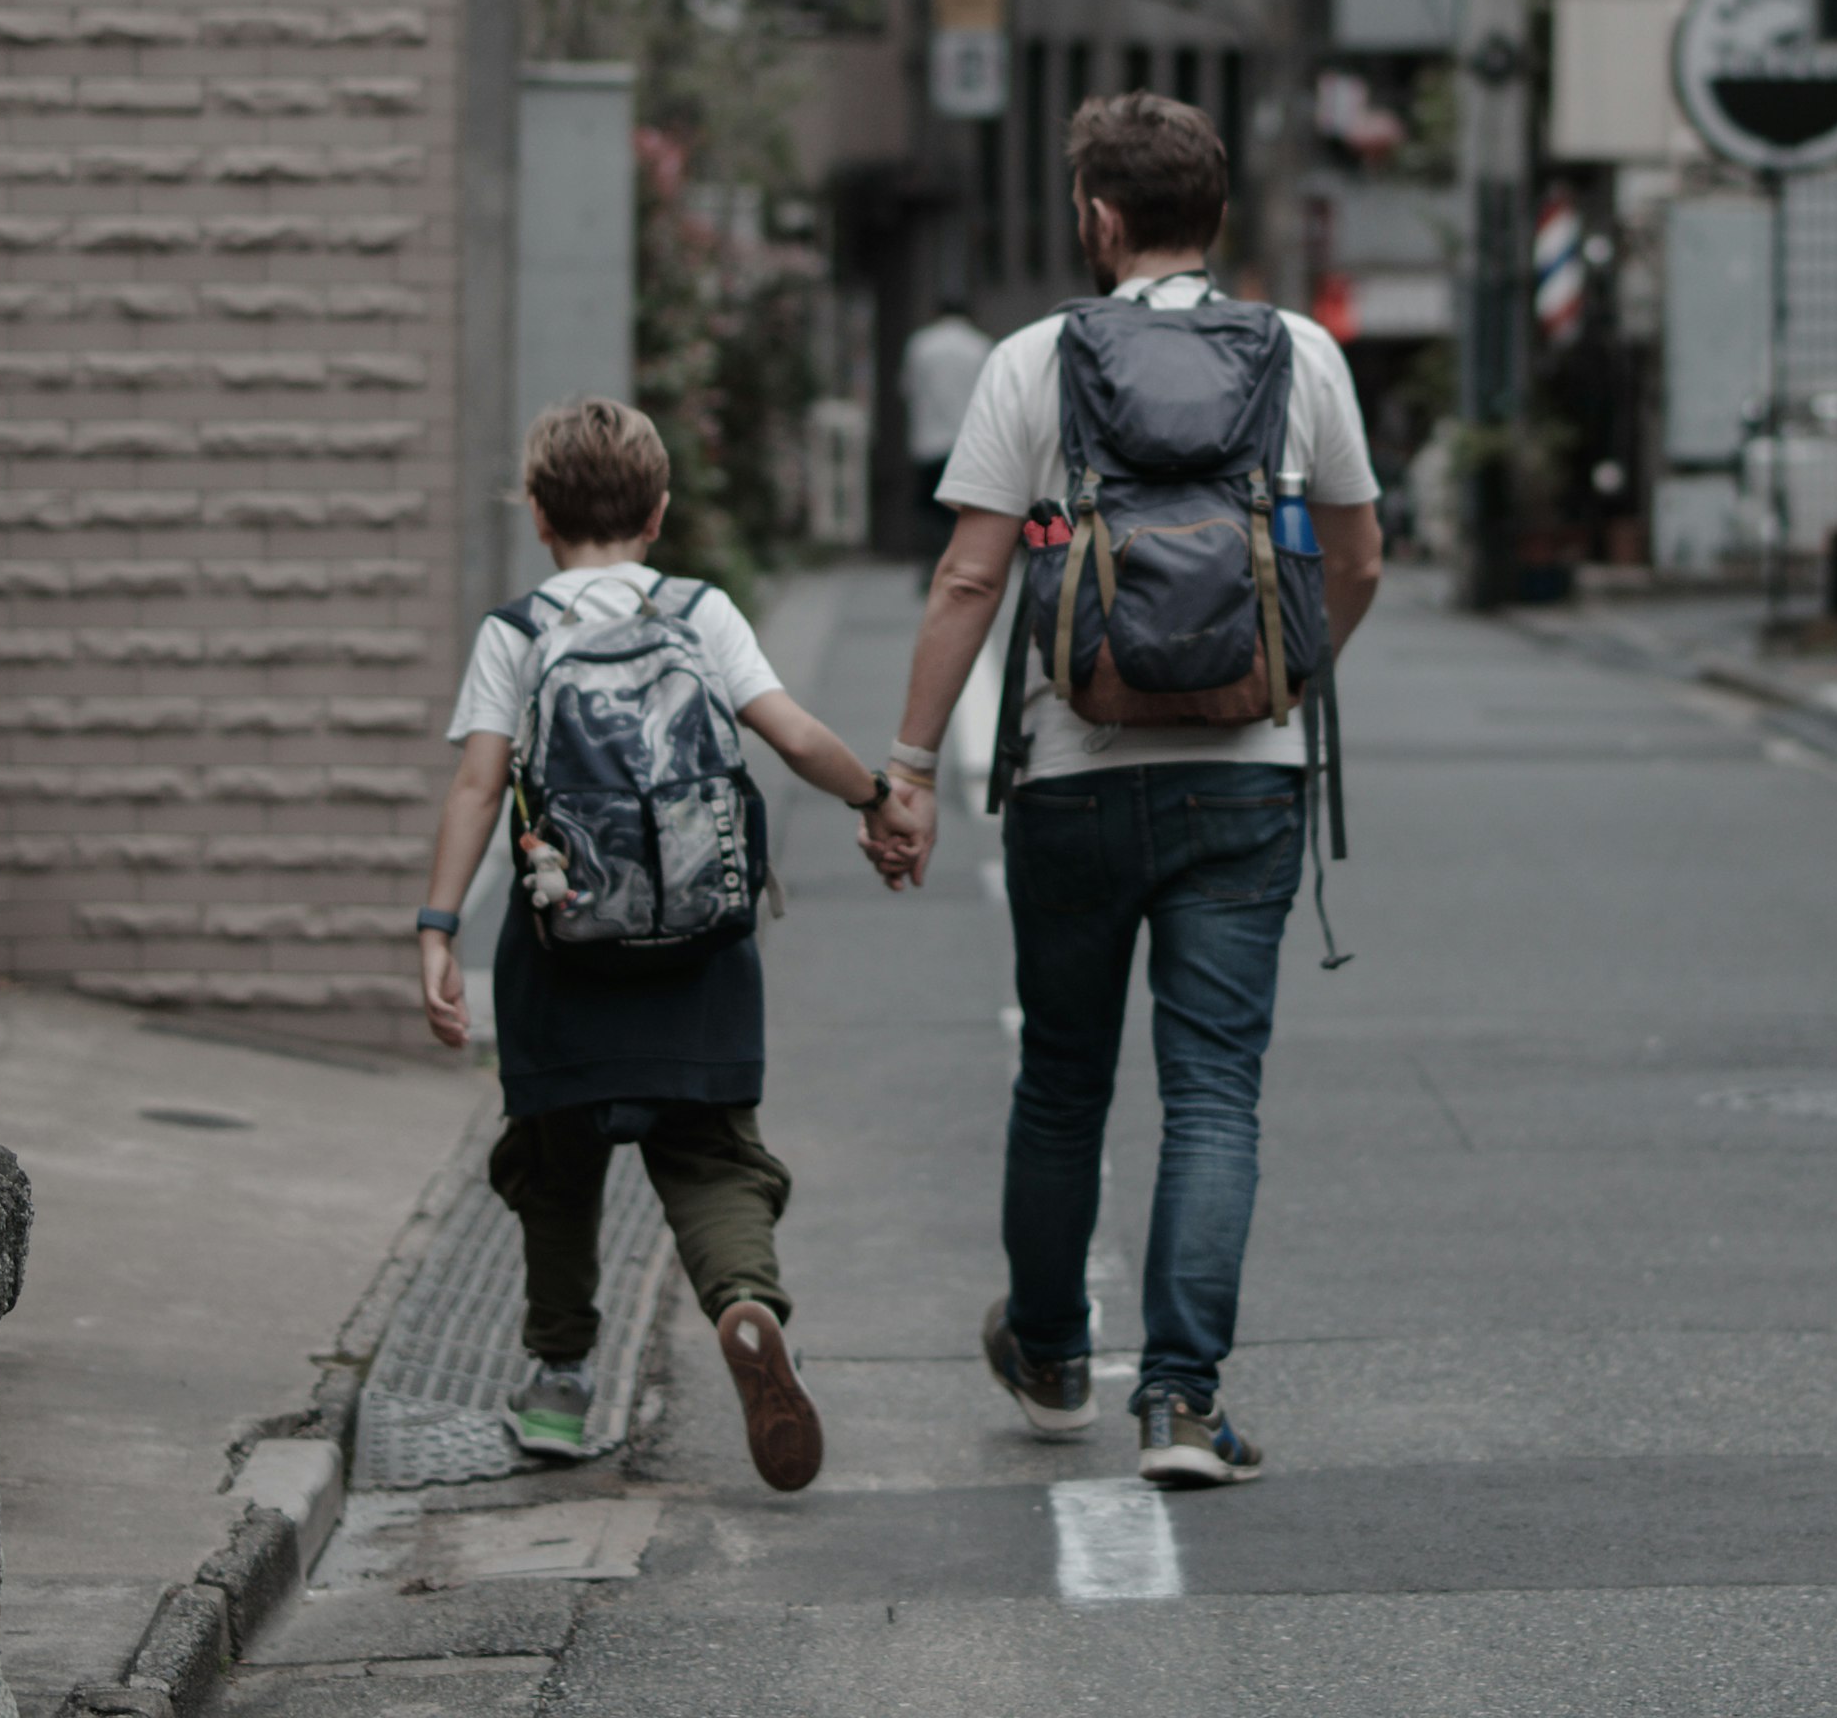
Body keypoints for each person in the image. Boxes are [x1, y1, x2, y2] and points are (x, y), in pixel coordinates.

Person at [862, 92, 1383, 1485]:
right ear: (1218, 216)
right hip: (1246, 787)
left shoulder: (1034, 359)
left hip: (1072, 780)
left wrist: (908, 769)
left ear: (1099, 220)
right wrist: (1277, 678)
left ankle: (1046, 1353)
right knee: (1213, 1092)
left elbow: (975, 574)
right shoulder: (1303, 355)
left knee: (1064, 1084)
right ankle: (1184, 1405)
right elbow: (1362, 560)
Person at [413, 398, 920, 1493]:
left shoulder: (516, 631)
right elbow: (788, 732)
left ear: (539, 514)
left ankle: (556, 1385)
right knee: (711, 1157)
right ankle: (743, 1304)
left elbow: (476, 782)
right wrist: (878, 798)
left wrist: (438, 926)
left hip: (561, 954)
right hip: (701, 952)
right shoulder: (701, 612)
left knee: (555, 1169)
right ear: (658, 513)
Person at [898, 298, 995, 552]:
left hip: (928, 440)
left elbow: (907, 389)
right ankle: (961, 556)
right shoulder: (980, 345)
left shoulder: (921, 345)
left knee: (930, 507)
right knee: (963, 507)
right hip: (969, 441)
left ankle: (932, 559)